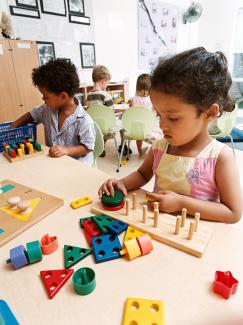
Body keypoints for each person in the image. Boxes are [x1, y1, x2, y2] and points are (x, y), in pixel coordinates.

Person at [98, 47, 242, 223]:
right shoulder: (160, 147)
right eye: (158, 115)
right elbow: (143, 175)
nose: (162, 125)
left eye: (173, 118)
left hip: (194, 238)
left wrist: (182, 203)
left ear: (209, 113)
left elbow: (233, 212)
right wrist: (121, 183)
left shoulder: (220, 157)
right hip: (158, 229)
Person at [10, 58, 95, 166]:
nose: (43, 99)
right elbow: (32, 115)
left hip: (77, 165)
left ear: (63, 96)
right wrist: (13, 127)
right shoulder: (47, 109)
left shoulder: (84, 120)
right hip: (54, 162)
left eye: (46, 96)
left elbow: (87, 147)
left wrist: (66, 150)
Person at [129, 73, 154, 155]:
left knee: (138, 136)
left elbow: (130, 112)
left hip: (135, 128)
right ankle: (154, 150)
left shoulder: (133, 99)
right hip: (148, 127)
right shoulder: (151, 100)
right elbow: (153, 114)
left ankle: (139, 150)